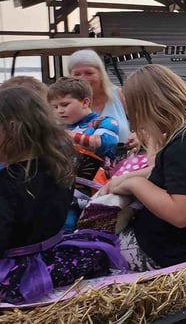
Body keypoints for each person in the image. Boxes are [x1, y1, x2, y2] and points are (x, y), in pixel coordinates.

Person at [101, 65, 186, 271]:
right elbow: (170, 173)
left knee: (94, 249)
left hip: (170, 251)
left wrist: (135, 184)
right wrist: (124, 180)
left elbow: (180, 213)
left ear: (146, 107)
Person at [0, 87, 126, 305]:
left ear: (11, 131)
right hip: (55, 254)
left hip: (18, 271)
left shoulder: (7, 182)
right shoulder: (59, 167)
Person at [48, 77, 120, 161]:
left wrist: (69, 136)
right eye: (55, 107)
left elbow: (102, 144)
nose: (59, 111)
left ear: (85, 102)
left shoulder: (105, 122)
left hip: (98, 172)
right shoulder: (59, 128)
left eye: (64, 105)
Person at [68, 49, 131, 143]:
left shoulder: (120, 95)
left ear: (101, 73)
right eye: (77, 74)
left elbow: (144, 125)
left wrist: (138, 136)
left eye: (89, 73)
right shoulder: (64, 104)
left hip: (124, 156)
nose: (83, 79)